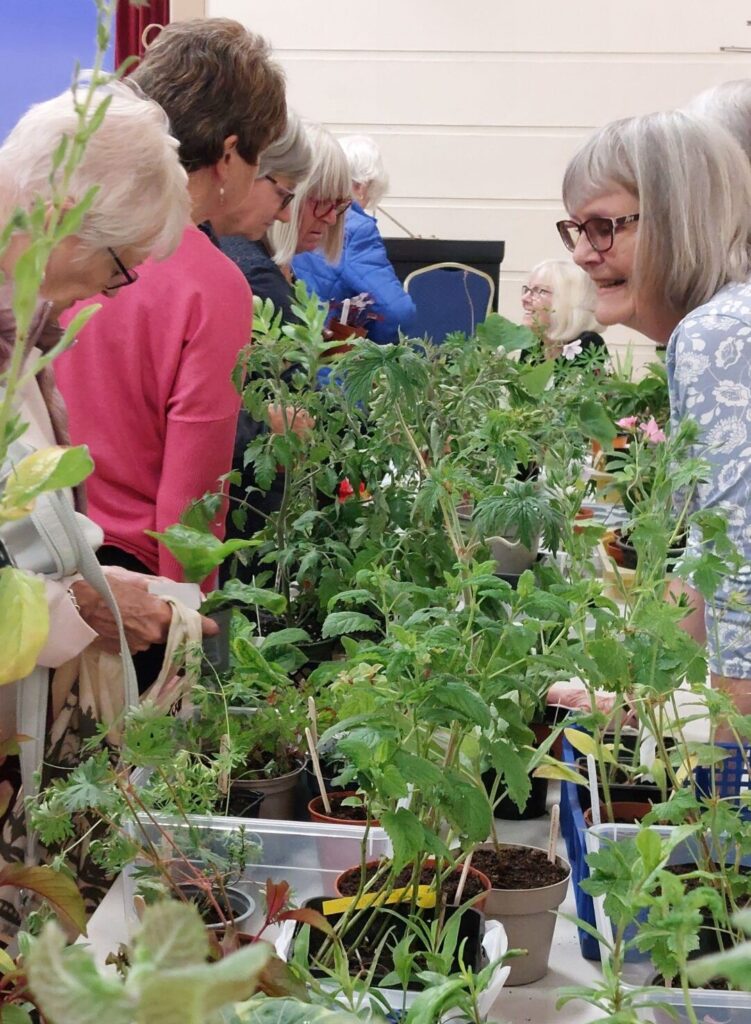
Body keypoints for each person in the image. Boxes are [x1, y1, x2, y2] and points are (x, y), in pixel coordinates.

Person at [0, 81, 216, 934]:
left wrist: (93, 572)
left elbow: (28, 506)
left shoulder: (20, 334)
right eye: (120, 262)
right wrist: (82, 603)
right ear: (63, 215)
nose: (118, 289)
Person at [55, 20, 287, 600]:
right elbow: (190, 508)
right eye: (261, 158)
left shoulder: (64, 232)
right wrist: (186, 636)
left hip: (41, 563)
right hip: (131, 587)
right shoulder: (212, 284)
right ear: (231, 154)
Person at [557, 109, 751, 720]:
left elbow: (742, 568)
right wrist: (647, 700)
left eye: (604, 226)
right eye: (575, 230)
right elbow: (710, 552)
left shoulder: (716, 334)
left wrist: (709, 730)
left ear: (680, 218)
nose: (585, 255)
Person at [219, 122, 348, 580]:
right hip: (251, 511)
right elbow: (280, 412)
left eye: (343, 205)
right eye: (320, 201)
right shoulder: (254, 275)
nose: (331, 217)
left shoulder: (258, 267)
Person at [292, 134, 416, 343]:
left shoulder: (299, 215)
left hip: (292, 346)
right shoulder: (358, 230)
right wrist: (372, 351)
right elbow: (397, 312)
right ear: (362, 185)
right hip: (329, 362)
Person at [520, 259, 607, 365]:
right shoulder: (533, 344)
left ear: (570, 301)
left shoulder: (588, 343)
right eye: (527, 290)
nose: (525, 298)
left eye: (540, 291)